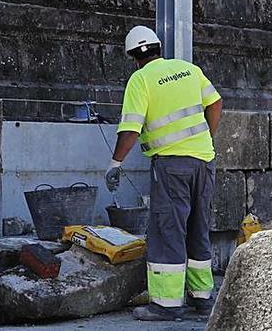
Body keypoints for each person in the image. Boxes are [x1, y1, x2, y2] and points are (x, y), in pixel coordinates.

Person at [105, 26, 223, 322]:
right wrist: (207, 137)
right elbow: (216, 102)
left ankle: (166, 305)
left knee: (167, 229)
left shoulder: (141, 79)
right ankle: (202, 298)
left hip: (172, 166)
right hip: (204, 161)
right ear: (158, 48)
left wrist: (116, 163)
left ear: (134, 57)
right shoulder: (188, 69)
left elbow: (131, 128)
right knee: (199, 227)